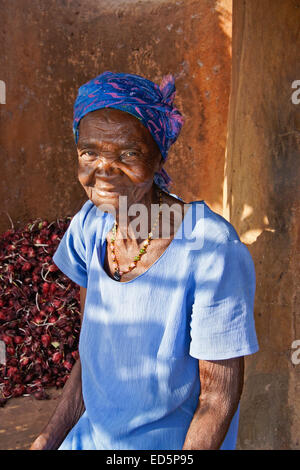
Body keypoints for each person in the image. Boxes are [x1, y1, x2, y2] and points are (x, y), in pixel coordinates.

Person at [30, 71, 259, 450]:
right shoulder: (89, 225)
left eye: (128, 154)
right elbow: (91, 357)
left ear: (157, 156)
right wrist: (47, 441)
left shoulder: (211, 248)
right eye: (89, 151)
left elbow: (217, 400)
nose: (103, 170)